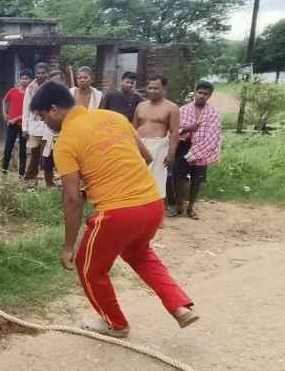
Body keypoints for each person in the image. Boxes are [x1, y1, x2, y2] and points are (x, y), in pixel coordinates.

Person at [29, 81, 199, 338]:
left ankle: (116, 324)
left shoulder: (65, 142)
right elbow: (146, 157)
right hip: (152, 204)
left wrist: (68, 246)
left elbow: (72, 199)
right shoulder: (114, 118)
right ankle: (179, 306)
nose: (44, 123)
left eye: (43, 117)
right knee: (140, 255)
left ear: (54, 110)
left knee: (89, 268)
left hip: (117, 213)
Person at [170, 81, 222, 219]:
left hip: (203, 148)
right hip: (183, 146)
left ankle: (190, 208)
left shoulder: (214, 113)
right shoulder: (183, 110)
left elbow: (215, 134)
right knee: (177, 178)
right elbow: (174, 129)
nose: (202, 96)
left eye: (205, 94)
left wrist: (203, 148)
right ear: (195, 92)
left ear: (210, 96)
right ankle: (179, 206)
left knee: (196, 180)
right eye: (200, 92)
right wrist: (187, 128)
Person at [133, 75, 180, 201]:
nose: (152, 91)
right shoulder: (140, 106)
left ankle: (156, 210)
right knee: (136, 180)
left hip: (158, 147)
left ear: (164, 89)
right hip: (139, 146)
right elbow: (133, 129)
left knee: (156, 183)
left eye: (156, 88)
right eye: (150, 88)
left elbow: (174, 132)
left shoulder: (172, 107)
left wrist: (171, 153)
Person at [21, 62, 54, 188]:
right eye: (38, 73)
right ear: (35, 74)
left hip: (49, 126)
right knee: (34, 154)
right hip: (34, 127)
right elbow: (26, 109)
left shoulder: (52, 87)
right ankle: (30, 178)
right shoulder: (30, 88)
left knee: (48, 155)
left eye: (43, 73)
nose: (40, 75)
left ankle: (49, 181)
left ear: (47, 74)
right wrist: (24, 128)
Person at [1, 69, 31, 176]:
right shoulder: (13, 91)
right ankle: (3, 172)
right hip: (12, 125)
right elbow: (4, 100)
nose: (24, 80)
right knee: (8, 148)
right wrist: (5, 114)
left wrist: (16, 118)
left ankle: (21, 174)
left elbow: (30, 111)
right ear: (19, 79)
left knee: (23, 151)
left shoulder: (30, 93)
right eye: (22, 78)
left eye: (26, 78)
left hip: (24, 126)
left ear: (30, 80)